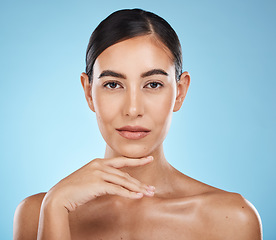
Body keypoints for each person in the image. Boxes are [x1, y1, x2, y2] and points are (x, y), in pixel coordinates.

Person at [13, 8, 262, 240]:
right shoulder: (36, 213)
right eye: (113, 84)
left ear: (180, 92)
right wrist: (55, 209)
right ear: (89, 92)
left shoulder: (232, 220)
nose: (133, 110)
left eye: (153, 84)